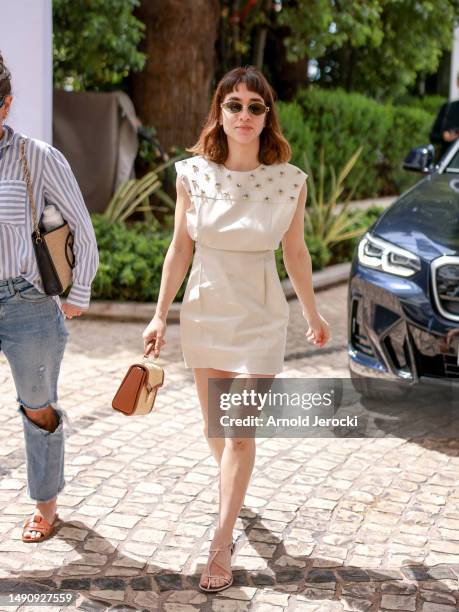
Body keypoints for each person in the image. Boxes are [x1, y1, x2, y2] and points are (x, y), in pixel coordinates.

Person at [142, 66, 330, 592]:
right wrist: (160, 314)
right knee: (215, 431)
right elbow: (179, 249)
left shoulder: (289, 180)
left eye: (254, 106)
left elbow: (295, 252)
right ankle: (235, 491)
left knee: (239, 432)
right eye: (234, 105)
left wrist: (313, 313)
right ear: (219, 113)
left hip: (263, 315)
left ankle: (220, 542)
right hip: (206, 308)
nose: (243, 114)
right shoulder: (192, 174)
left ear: (267, 117)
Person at [0, 54, 99, 542]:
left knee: (38, 407)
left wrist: (77, 292)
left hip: (27, 303)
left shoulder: (36, 157)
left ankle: (46, 506)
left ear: (6, 105)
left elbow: (80, 225)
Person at [430, 73, 459, 158]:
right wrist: (443, 137)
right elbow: (433, 136)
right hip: (447, 161)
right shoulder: (448, 108)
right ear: (457, 82)